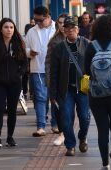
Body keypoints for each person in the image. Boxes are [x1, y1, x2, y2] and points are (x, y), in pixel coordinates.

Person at [84, 15, 111, 170]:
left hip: (96, 94)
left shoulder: (91, 46)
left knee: (102, 128)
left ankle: (105, 164)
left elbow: (85, 72)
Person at [50, 16, 90, 156]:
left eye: (73, 28)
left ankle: (82, 137)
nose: (71, 31)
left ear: (78, 29)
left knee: (85, 118)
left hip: (83, 90)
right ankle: (70, 145)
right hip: (65, 90)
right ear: (64, 31)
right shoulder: (59, 48)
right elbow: (53, 72)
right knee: (66, 118)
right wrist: (52, 94)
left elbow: (93, 67)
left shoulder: (87, 44)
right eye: (68, 29)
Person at [0, 18, 28, 148]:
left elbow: (25, 63)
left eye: (11, 27)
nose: (9, 29)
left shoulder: (19, 43)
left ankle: (10, 137)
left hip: (15, 83)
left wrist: (18, 75)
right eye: (6, 27)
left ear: (14, 29)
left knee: (11, 110)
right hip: (0, 83)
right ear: (1, 29)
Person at [25, 6, 56, 137]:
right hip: (37, 68)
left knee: (54, 98)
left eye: (40, 20)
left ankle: (55, 124)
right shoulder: (32, 31)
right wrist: (29, 53)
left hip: (54, 69)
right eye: (35, 20)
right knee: (40, 97)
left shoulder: (58, 29)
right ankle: (41, 127)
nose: (37, 23)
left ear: (48, 17)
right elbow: (25, 48)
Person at [45, 13, 68, 146]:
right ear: (57, 24)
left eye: (65, 22)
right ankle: (62, 133)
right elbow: (47, 62)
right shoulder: (54, 42)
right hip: (58, 81)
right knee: (59, 108)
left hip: (73, 81)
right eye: (60, 22)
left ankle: (80, 135)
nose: (63, 25)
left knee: (77, 111)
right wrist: (49, 80)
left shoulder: (78, 40)